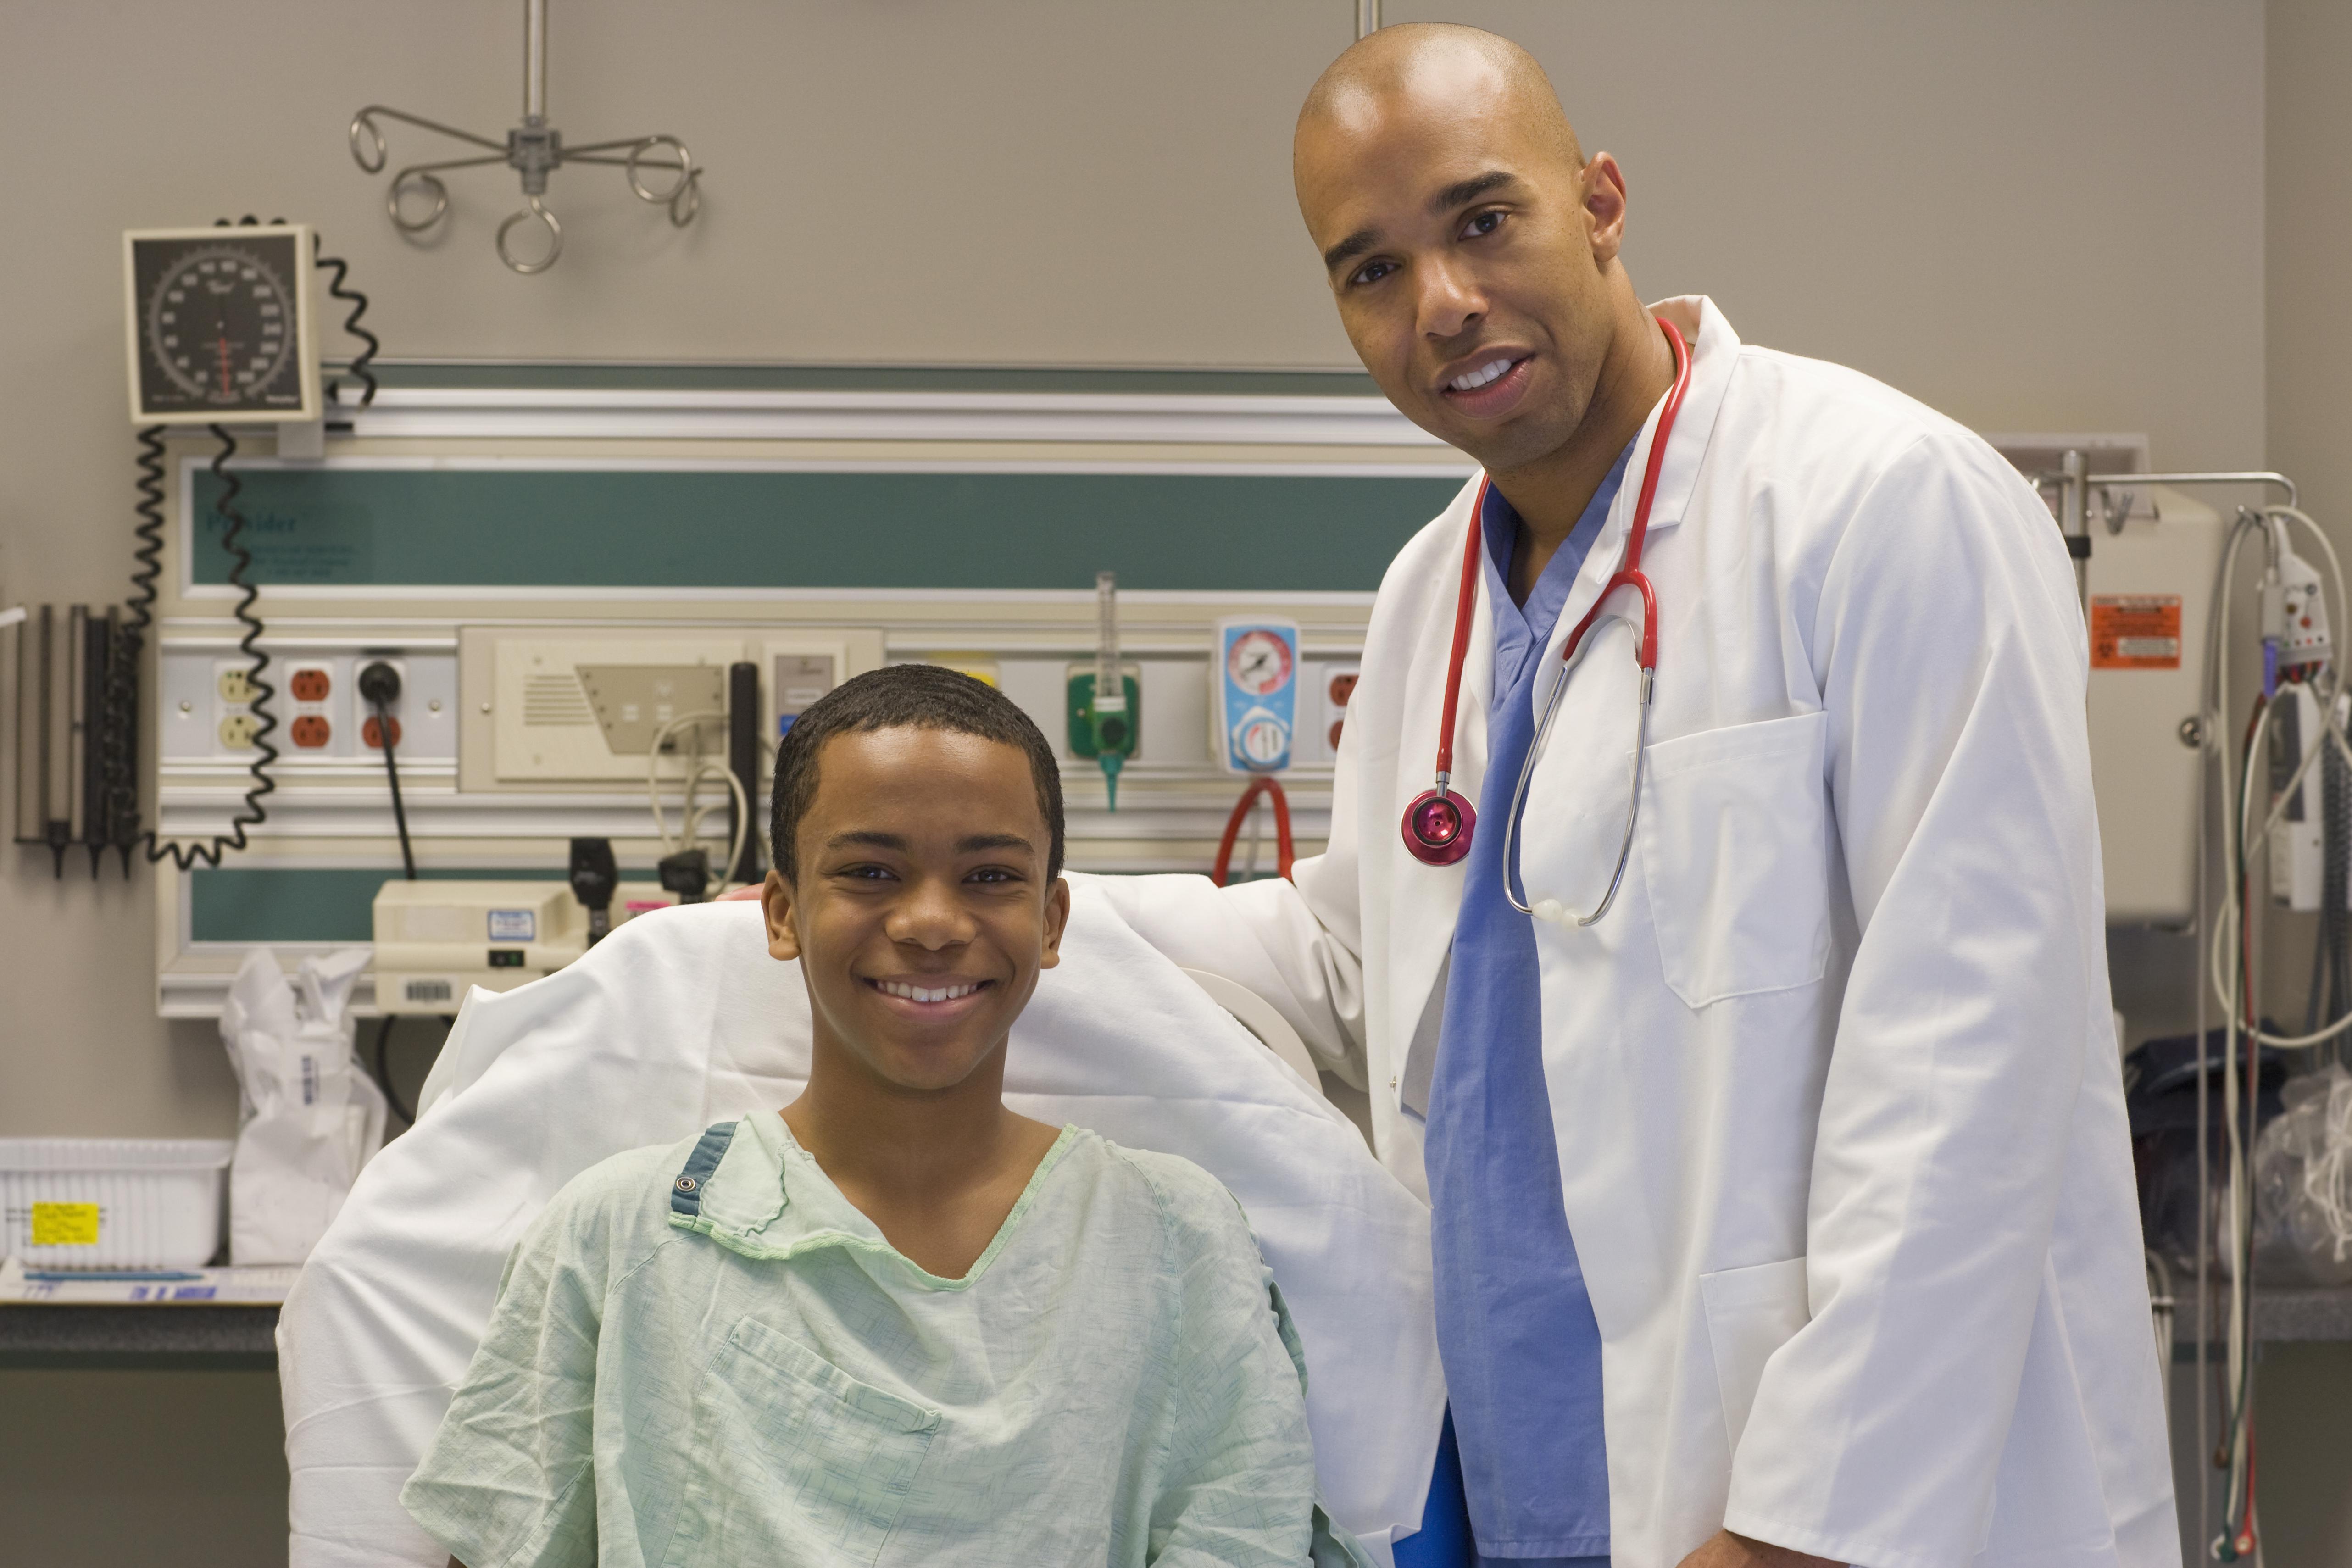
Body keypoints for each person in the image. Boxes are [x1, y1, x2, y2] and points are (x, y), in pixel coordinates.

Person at [1095, 23, 2174, 1568]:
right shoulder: (1428, 598)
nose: (1443, 305)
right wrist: (1001, 917)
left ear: (1597, 201)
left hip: (1822, 1504)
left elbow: (1963, 1069)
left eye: (1481, 220)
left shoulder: (1878, 505)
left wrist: (1797, 1529)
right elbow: (1373, 962)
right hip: (1527, 1480)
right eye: (1370, 270)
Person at [401, 664, 1359, 1567]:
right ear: (780, 912)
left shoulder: (1175, 1241)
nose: (932, 921)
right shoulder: (619, 1239)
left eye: (989, 875)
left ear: (1052, 921)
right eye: (868, 871)